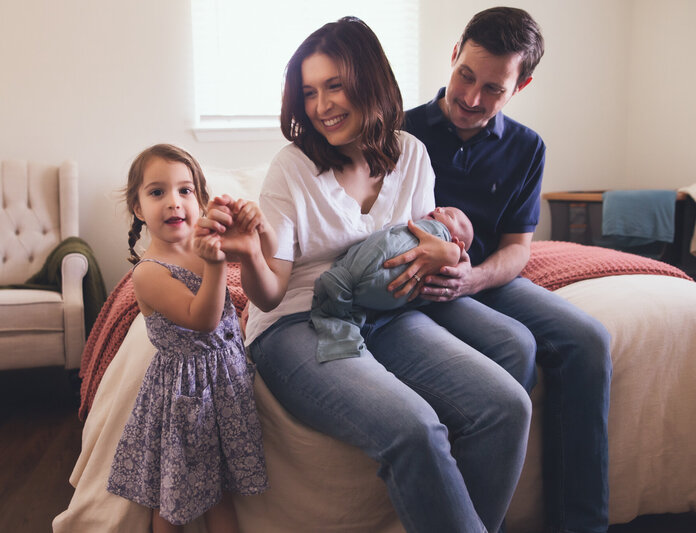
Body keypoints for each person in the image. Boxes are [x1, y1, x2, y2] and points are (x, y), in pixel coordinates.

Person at [201, 17, 532, 533]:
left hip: (390, 315)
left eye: (335, 85)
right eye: (309, 92)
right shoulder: (291, 169)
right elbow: (269, 297)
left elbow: (423, 242)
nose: (321, 105)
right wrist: (246, 254)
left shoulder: (413, 155)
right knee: (415, 427)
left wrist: (447, 254)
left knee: (507, 405)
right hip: (299, 324)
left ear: (369, 79)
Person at [401, 7, 612, 533]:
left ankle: (580, 524)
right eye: (465, 76)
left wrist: (477, 279)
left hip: (489, 280)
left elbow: (520, 248)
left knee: (589, 340)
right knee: (514, 344)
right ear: (454, 54)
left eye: (493, 89)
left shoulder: (527, 147)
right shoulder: (400, 130)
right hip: (419, 284)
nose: (471, 98)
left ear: (522, 84)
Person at [106, 144, 269, 533]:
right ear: (138, 207)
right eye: (157, 192)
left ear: (201, 200)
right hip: (185, 394)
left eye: (185, 190)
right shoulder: (147, 273)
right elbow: (203, 320)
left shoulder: (207, 248)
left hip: (226, 385)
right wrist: (214, 264)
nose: (174, 202)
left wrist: (256, 227)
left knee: (221, 494)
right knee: (173, 498)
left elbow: (259, 266)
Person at [310, 206, 473, 362]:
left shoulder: (438, 232)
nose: (439, 209)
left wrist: (453, 252)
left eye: (449, 215)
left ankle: (344, 289)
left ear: (456, 241)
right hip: (373, 301)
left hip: (357, 287)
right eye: (441, 207)